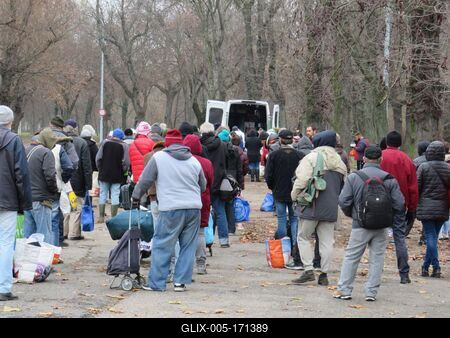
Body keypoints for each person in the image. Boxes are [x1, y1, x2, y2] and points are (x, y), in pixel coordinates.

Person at [132, 129, 206, 292]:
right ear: (181, 143)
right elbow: (203, 185)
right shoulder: (194, 161)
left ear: (166, 143)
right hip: (193, 208)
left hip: (171, 208)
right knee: (187, 246)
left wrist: (135, 196)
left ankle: (157, 283)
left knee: (162, 244)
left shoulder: (159, 158)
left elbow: (145, 180)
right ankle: (180, 282)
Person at [335, 145, 405, 301]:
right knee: (377, 258)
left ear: (364, 158)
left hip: (360, 224)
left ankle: (345, 290)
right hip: (382, 226)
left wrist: (353, 214)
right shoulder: (389, 178)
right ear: (381, 159)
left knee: (352, 257)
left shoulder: (354, 177)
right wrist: (388, 215)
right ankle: (371, 293)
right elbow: (400, 204)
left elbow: (343, 200)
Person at [291, 131, 347, 286]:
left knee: (303, 237)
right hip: (331, 207)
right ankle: (324, 273)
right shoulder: (340, 162)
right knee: (327, 241)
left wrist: (294, 195)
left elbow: (301, 180)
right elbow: (343, 186)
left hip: (312, 205)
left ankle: (308, 269)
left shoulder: (311, 158)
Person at [0, 106, 32, 301]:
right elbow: (21, 174)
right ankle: (3, 287)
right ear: (10, 122)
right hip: (8, 200)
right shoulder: (13, 140)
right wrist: (24, 203)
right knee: (5, 243)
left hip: (8, 199)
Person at [380, 130, 418, 283]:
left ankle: (376, 270)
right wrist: (412, 208)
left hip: (379, 203)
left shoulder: (380, 157)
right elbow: (413, 187)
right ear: (400, 143)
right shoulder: (407, 160)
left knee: (377, 237)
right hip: (400, 204)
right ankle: (404, 274)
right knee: (399, 238)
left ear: (387, 141)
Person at [265, 130, 305, 270]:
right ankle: (295, 250)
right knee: (295, 220)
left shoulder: (274, 155)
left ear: (280, 140)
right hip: (295, 193)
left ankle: (283, 249)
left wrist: (272, 187)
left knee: (281, 219)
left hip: (279, 192)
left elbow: (268, 175)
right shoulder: (299, 156)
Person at [416, 141, 450, 278]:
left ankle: (436, 267)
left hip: (426, 207)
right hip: (442, 207)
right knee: (433, 238)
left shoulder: (423, 167)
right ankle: (425, 267)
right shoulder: (448, 168)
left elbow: (417, 187)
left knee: (430, 237)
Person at [183, 135, 214, 274]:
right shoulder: (206, 163)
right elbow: (210, 182)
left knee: (182, 232)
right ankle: (201, 264)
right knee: (200, 232)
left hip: (183, 200)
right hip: (203, 199)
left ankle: (184, 264)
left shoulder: (181, 162)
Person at [24, 128, 60, 244]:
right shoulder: (46, 153)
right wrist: (54, 191)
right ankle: (44, 262)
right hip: (42, 200)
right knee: (44, 235)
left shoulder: (26, 150)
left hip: (27, 200)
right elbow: (50, 176)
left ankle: (28, 261)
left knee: (29, 237)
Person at [200, 122, 230, 248]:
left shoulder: (200, 145)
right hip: (219, 181)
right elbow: (226, 162)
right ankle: (224, 240)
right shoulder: (222, 145)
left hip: (204, 181)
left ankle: (207, 239)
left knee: (204, 212)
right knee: (221, 211)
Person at [63, 120, 92, 241]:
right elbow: (86, 166)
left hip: (64, 180)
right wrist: (88, 184)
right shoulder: (82, 143)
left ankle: (64, 232)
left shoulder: (62, 142)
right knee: (76, 207)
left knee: (65, 206)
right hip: (78, 180)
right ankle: (74, 233)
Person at [96, 128, 130, 223]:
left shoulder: (105, 143)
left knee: (103, 193)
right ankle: (113, 218)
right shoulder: (124, 146)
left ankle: (101, 217)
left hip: (104, 173)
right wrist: (124, 171)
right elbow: (126, 162)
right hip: (117, 174)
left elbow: (98, 158)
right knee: (115, 194)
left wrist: (100, 168)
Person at [218, 129, 243, 236]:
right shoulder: (235, 150)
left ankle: (221, 227)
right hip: (233, 179)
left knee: (220, 204)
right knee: (230, 204)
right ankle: (231, 228)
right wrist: (240, 184)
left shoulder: (218, 151)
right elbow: (240, 168)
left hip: (221, 178)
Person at [413, 141, 430, 245]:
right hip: (430, 191)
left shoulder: (415, 161)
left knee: (413, 213)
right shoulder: (433, 160)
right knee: (427, 215)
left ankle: (403, 232)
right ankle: (424, 236)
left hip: (418, 190)